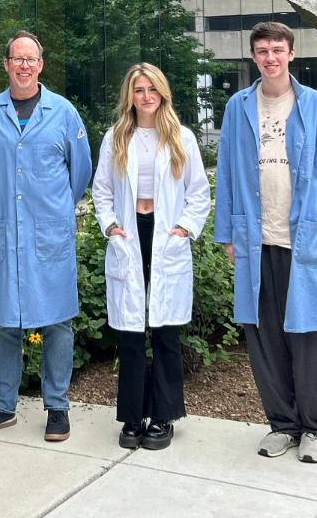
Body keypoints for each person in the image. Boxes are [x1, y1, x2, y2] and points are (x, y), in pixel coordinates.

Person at [213, 21, 317, 464]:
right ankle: (282, 425)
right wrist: (227, 234)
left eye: (277, 49)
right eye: (262, 51)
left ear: (292, 54)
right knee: (263, 337)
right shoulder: (238, 107)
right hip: (256, 239)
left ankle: (315, 429)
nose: (270, 57)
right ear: (253, 57)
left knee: (309, 335)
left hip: (305, 240)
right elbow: (229, 173)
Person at [0, 30, 92, 442]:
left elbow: (81, 172)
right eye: (16, 59)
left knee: (57, 322)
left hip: (48, 236)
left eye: (31, 59)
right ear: (6, 65)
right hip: (5, 232)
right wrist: (4, 214)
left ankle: (58, 407)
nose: (24, 65)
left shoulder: (64, 112)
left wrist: (50, 213)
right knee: (4, 322)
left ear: (41, 65)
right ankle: (2, 406)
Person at [92, 63, 211, 450]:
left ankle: (163, 416)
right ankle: (131, 417)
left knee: (164, 330)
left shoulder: (180, 137)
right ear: (130, 96)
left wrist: (183, 229)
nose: (146, 97)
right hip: (129, 233)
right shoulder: (116, 137)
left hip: (166, 235)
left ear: (163, 93)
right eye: (138, 90)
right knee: (130, 332)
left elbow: (198, 193)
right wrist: (110, 226)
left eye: (152, 89)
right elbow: (102, 190)